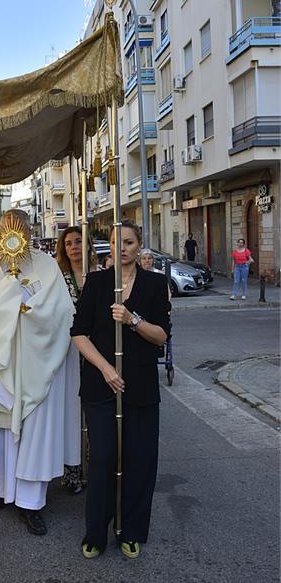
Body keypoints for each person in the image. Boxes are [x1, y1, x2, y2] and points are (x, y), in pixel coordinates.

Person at [0, 210, 80, 536]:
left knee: (33, 430)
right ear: (0, 231)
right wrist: (10, 300)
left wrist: (30, 310)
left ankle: (30, 503)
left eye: (20, 227)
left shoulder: (46, 264)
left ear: (30, 230)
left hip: (37, 362)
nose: (15, 232)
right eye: (9, 227)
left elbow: (63, 309)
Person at [71, 219, 171, 560]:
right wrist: (105, 368)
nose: (123, 248)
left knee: (139, 459)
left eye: (129, 242)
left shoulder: (155, 285)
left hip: (140, 385)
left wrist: (133, 320)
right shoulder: (96, 283)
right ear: (110, 247)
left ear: (139, 244)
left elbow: (162, 335)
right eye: (117, 242)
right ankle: (96, 531)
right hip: (101, 384)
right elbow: (79, 334)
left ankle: (131, 530)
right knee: (101, 458)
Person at [55, 226, 98, 495]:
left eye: (79, 241)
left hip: (95, 350)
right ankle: (71, 471)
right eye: (69, 242)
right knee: (70, 410)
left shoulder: (100, 275)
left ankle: (95, 469)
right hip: (67, 350)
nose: (74, 247)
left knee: (93, 411)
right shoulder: (58, 278)